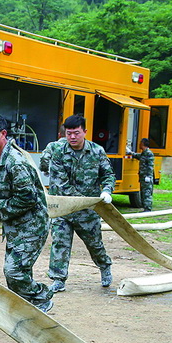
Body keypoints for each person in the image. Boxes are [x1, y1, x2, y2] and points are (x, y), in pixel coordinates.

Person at [0, 113, 54, 313]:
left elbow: (28, 198)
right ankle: (25, 307)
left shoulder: (15, 161)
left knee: (15, 272)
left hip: (31, 225)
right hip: (16, 225)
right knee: (15, 271)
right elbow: (2, 182)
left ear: (2, 134)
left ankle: (42, 298)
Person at [39, 114, 116, 292]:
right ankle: (58, 279)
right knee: (60, 243)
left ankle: (104, 266)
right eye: (69, 133)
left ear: (85, 132)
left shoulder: (97, 151)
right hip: (63, 208)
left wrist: (106, 190)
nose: (72, 137)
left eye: (76, 133)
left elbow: (108, 174)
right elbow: (60, 183)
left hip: (88, 211)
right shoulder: (58, 151)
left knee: (95, 244)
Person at [131, 138, 155, 212]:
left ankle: (148, 208)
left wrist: (148, 176)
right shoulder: (144, 153)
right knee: (143, 192)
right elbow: (139, 156)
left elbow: (150, 166)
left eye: (140, 143)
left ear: (143, 144)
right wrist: (130, 153)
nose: (139, 144)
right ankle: (145, 207)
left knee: (147, 193)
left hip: (146, 177)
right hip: (143, 177)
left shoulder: (149, 153)